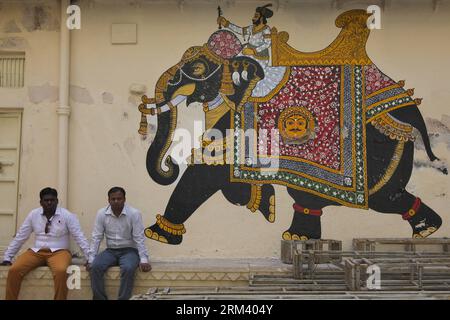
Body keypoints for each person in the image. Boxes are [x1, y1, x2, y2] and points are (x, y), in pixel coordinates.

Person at [0, 187, 90, 300]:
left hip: (60, 252)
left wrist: (90, 258)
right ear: (41, 202)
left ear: (57, 201)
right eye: (46, 200)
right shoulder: (34, 214)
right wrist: (7, 257)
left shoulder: (67, 215)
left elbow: (79, 237)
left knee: (61, 271)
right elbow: (21, 236)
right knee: (14, 270)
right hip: (37, 252)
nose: (49, 203)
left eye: (52, 200)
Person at [87, 187, 151, 300]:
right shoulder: (101, 213)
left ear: (124, 199)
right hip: (110, 251)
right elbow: (96, 237)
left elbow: (139, 237)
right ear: (108, 200)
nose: (116, 201)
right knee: (95, 267)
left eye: (119, 199)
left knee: (128, 268)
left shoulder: (134, 213)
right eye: (113, 199)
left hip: (129, 251)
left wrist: (144, 259)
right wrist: (91, 258)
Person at [217, 3, 287, 97]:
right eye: (254, 15)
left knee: (249, 74)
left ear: (261, 18)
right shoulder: (251, 28)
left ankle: (246, 93)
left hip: (259, 56)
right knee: (234, 66)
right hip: (247, 53)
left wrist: (254, 51)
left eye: (256, 16)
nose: (253, 18)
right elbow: (240, 30)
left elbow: (267, 43)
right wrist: (226, 24)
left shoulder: (266, 29)